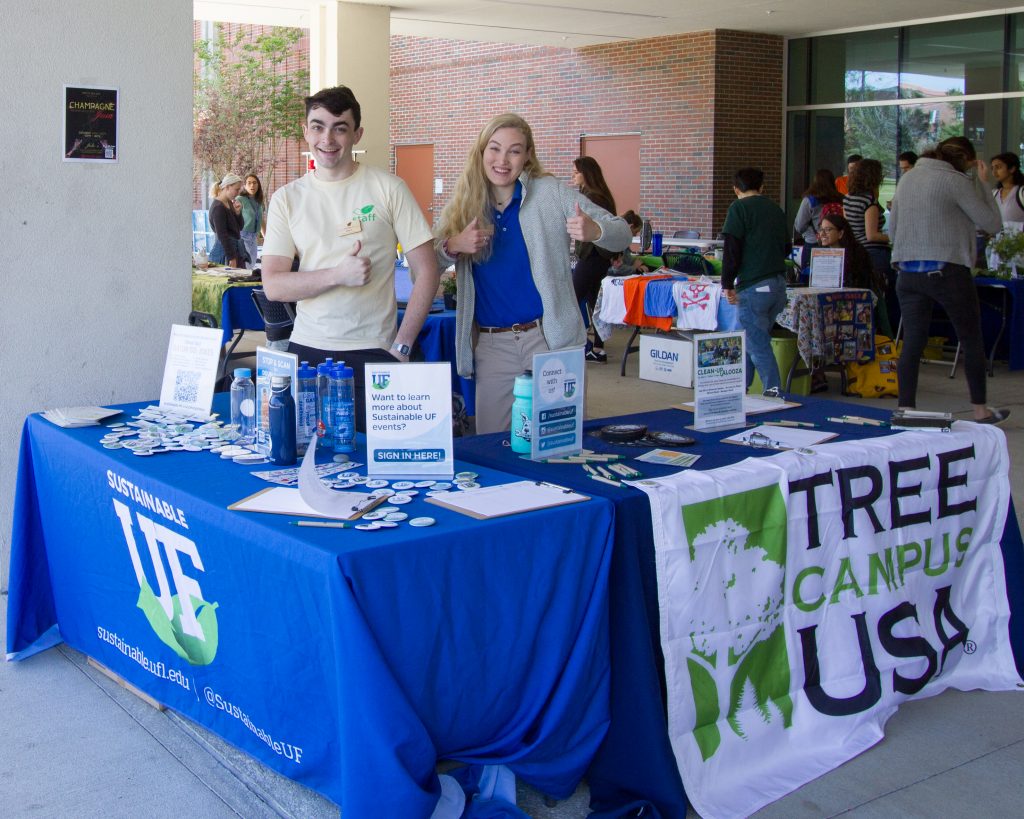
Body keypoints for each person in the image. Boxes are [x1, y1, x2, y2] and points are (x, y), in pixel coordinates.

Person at [435, 113, 631, 434]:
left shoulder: (550, 193)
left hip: (549, 340)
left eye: (514, 150)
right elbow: (428, 262)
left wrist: (595, 230)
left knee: (558, 441)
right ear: (481, 151)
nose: (502, 160)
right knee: (494, 444)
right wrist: (453, 245)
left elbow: (621, 231)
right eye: (494, 149)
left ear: (527, 155)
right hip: (492, 344)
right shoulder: (465, 203)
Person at [261, 85, 439, 429]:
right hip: (306, 351)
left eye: (339, 127)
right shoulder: (287, 199)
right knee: (305, 461)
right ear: (305, 131)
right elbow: (274, 285)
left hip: (373, 352)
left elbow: (427, 271)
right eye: (318, 126)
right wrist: (337, 274)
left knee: (370, 468)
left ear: (357, 134)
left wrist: (402, 348)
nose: (327, 138)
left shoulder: (388, 188)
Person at [890, 136, 1007, 423]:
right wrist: (981, 183)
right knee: (970, 338)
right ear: (965, 161)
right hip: (947, 272)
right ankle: (980, 410)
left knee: (912, 341)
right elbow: (992, 224)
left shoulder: (908, 179)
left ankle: (906, 409)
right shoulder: (956, 181)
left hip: (907, 273)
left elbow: (892, 230)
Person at [721, 167, 790, 393]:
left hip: (753, 286)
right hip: (778, 286)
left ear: (735, 189)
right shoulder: (775, 209)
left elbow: (732, 249)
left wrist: (727, 284)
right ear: (762, 187)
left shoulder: (738, 208)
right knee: (752, 340)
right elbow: (786, 247)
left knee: (757, 344)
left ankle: (774, 391)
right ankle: (741, 389)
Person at [571, 156, 618, 363]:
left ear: (586, 174)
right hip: (598, 258)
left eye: (576, 172)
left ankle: (575, 345)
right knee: (594, 302)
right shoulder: (597, 195)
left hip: (593, 257)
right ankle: (598, 349)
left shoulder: (593, 198)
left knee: (571, 299)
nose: (573, 176)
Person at [817, 212, 892, 337]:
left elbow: (861, 285)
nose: (822, 234)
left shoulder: (856, 254)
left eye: (828, 230)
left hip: (854, 305)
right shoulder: (821, 254)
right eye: (821, 230)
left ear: (841, 233)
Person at [793, 169, 843, 273]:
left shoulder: (810, 200)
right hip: (837, 244)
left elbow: (799, 226)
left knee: (809, 278)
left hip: (814, 243)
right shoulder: (840, 198)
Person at [209, 173, 245, 267]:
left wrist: (238, 213)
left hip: (235, 249)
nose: (238, 193)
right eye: (236, 189)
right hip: (225, 251)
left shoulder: (229, 203)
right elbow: (222, 235)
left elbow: (240, 227)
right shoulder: (218, 208)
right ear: (228, 187)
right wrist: (231, 257)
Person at [237, 173, 265, 270]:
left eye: (254, 183)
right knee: (246, 266)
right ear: (244, 186)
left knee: (252, 265)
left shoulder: (259, 201)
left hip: (254, 238)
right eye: (249, 183)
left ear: (258, 185)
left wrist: (267, 239)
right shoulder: (240, 199)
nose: (252, 185)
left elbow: (261, 220)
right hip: (242, 237)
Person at [990, 152, 1024, 225]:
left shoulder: (1021, 192)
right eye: (992, 168)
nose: (994, 172)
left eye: (998, 167)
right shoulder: (994, 193)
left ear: (1012, 169)